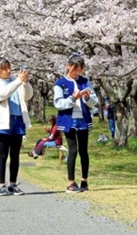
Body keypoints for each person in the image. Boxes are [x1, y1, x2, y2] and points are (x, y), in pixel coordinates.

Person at [54, 52, 98, 193]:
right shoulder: (60, 83)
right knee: (73, 150)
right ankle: (70, 182)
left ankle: (84, 181)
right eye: (75, 69)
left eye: (80, 70)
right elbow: (58, 103)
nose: (78, 72)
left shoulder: (85, 82)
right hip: (68, 120)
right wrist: (73, 98)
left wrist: (86, 98)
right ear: (69, 66)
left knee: (84, 151)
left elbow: (94, 102)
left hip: (83, 120)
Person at [0, 56, 33, 196]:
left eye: (8, 67)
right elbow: (3, 94)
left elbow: (28, 96)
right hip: (3, 122)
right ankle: (1, 185)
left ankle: (13, 184)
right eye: (3, 69)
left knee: (15, 155)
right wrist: (19, 81)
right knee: (3, 154)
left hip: (18, 120)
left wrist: (25, 83)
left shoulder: (16, 80)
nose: (8, 70)